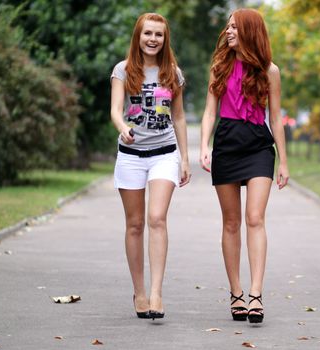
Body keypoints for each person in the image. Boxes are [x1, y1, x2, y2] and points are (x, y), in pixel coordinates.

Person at [200, 8, 289, 324]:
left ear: (250, 31)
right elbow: (210, 111)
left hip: (258, 146)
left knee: (255, 218)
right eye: (228, 27)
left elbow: (276, 118)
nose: (229, 32)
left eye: (235, 27)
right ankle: (236, 293)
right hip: (226, 142)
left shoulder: (270, 70)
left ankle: (255, 295)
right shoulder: (219, 67)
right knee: (231, 222)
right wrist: (204, 146)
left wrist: (284, 162)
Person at [110, 12, 190, 320]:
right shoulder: (123, 70)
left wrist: (184, 158)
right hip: (130, 155)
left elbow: (179, 117)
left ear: (164, 38)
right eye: (147, 34)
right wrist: (123, 128)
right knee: (135, 224)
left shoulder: (173, 72)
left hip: (164, 153)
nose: (153, 39)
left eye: (158, 34)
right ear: (138, 37)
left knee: (157, 218)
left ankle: (157, 292)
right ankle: (139, 292)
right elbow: (116, 111)